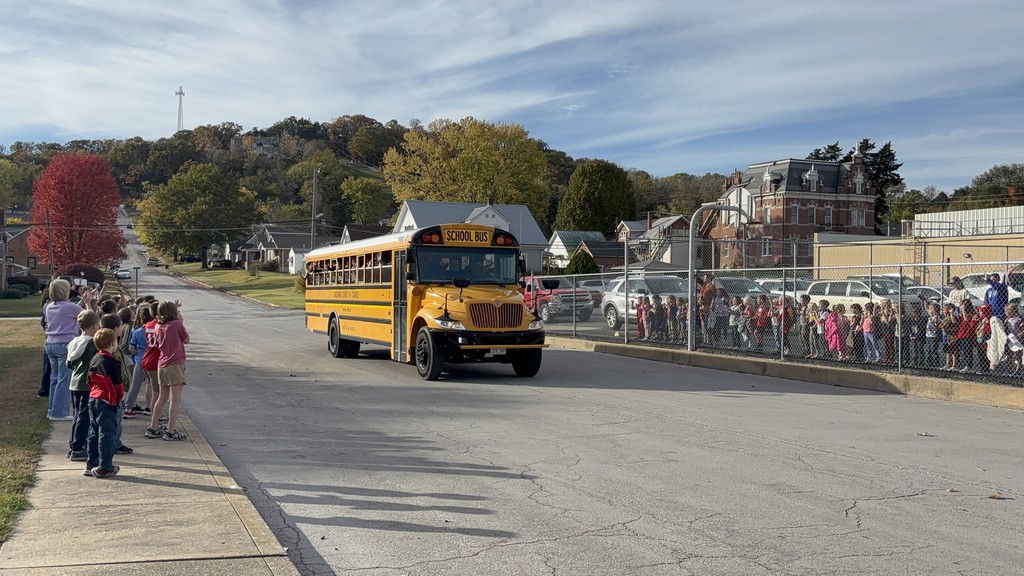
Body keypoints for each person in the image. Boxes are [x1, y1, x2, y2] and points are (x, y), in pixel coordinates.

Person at [44, 279, 92, 420]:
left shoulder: (50, 306)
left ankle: (52, 409)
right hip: (65, 344)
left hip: (50, 344)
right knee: (64, 380)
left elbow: (68, 312)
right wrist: (88, 303)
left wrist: (81, 303)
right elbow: (90, 317)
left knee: (55, 378)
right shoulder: (70, 307)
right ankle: (59, 412)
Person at [147, 301, 190, 441]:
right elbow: (186, 340)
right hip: (175, 363)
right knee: (175, 399)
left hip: (162, 364)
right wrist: (181, 321)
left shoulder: (158, 326)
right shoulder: (176, 325)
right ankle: (171, 431)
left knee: (162, 397)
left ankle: (153, 427)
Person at [84, 328, 123, 478]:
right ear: (113, 343)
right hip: (107, 400)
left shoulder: (95, 358)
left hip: (93, 398)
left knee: (93, 431)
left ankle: (91, 463)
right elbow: (117, 384)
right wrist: (119, 397)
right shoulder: (112, 362)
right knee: (107, 433)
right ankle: (105, 466)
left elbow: (88, 379)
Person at [65, 310, 100, 461]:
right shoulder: (91, 343)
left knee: (77, 415)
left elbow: (69, 363)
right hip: (86, 384)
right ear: (93, 326)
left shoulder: (75, 342)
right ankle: (79, 448)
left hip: (74, 383)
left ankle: (74, 444)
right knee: (84, 416)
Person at [126, 306, 154, 415]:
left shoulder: (137, 332)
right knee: (151, 384)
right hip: (151, 360)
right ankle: (150, 406)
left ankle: (129, 407)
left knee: (135, 385)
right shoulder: (154, 331)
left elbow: (131, 348)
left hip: (140, 359)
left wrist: (137, 353)